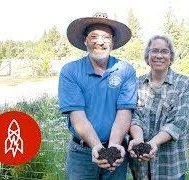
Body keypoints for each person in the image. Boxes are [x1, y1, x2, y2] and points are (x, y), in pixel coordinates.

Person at [58, 12, 137, 180]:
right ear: (85, 40)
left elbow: (124, 113)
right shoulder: (70, 71)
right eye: (94, 36)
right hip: (82, 154)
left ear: (113, 42)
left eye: (106, 37)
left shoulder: (125, 70)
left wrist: (114, 147)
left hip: (116, 153)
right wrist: (97, 148)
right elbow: (77, 116)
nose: (99, 42)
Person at [128, 35, 189, 180]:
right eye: (154, 51)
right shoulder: (137, 83)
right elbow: (133, 117)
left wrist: (153, 143)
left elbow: (178, 122)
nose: (159, 55)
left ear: (171, 57)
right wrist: (139, 141)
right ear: (147, 56)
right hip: (141, 167)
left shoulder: (183, 83)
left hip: (170, 167)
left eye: (164, 51)